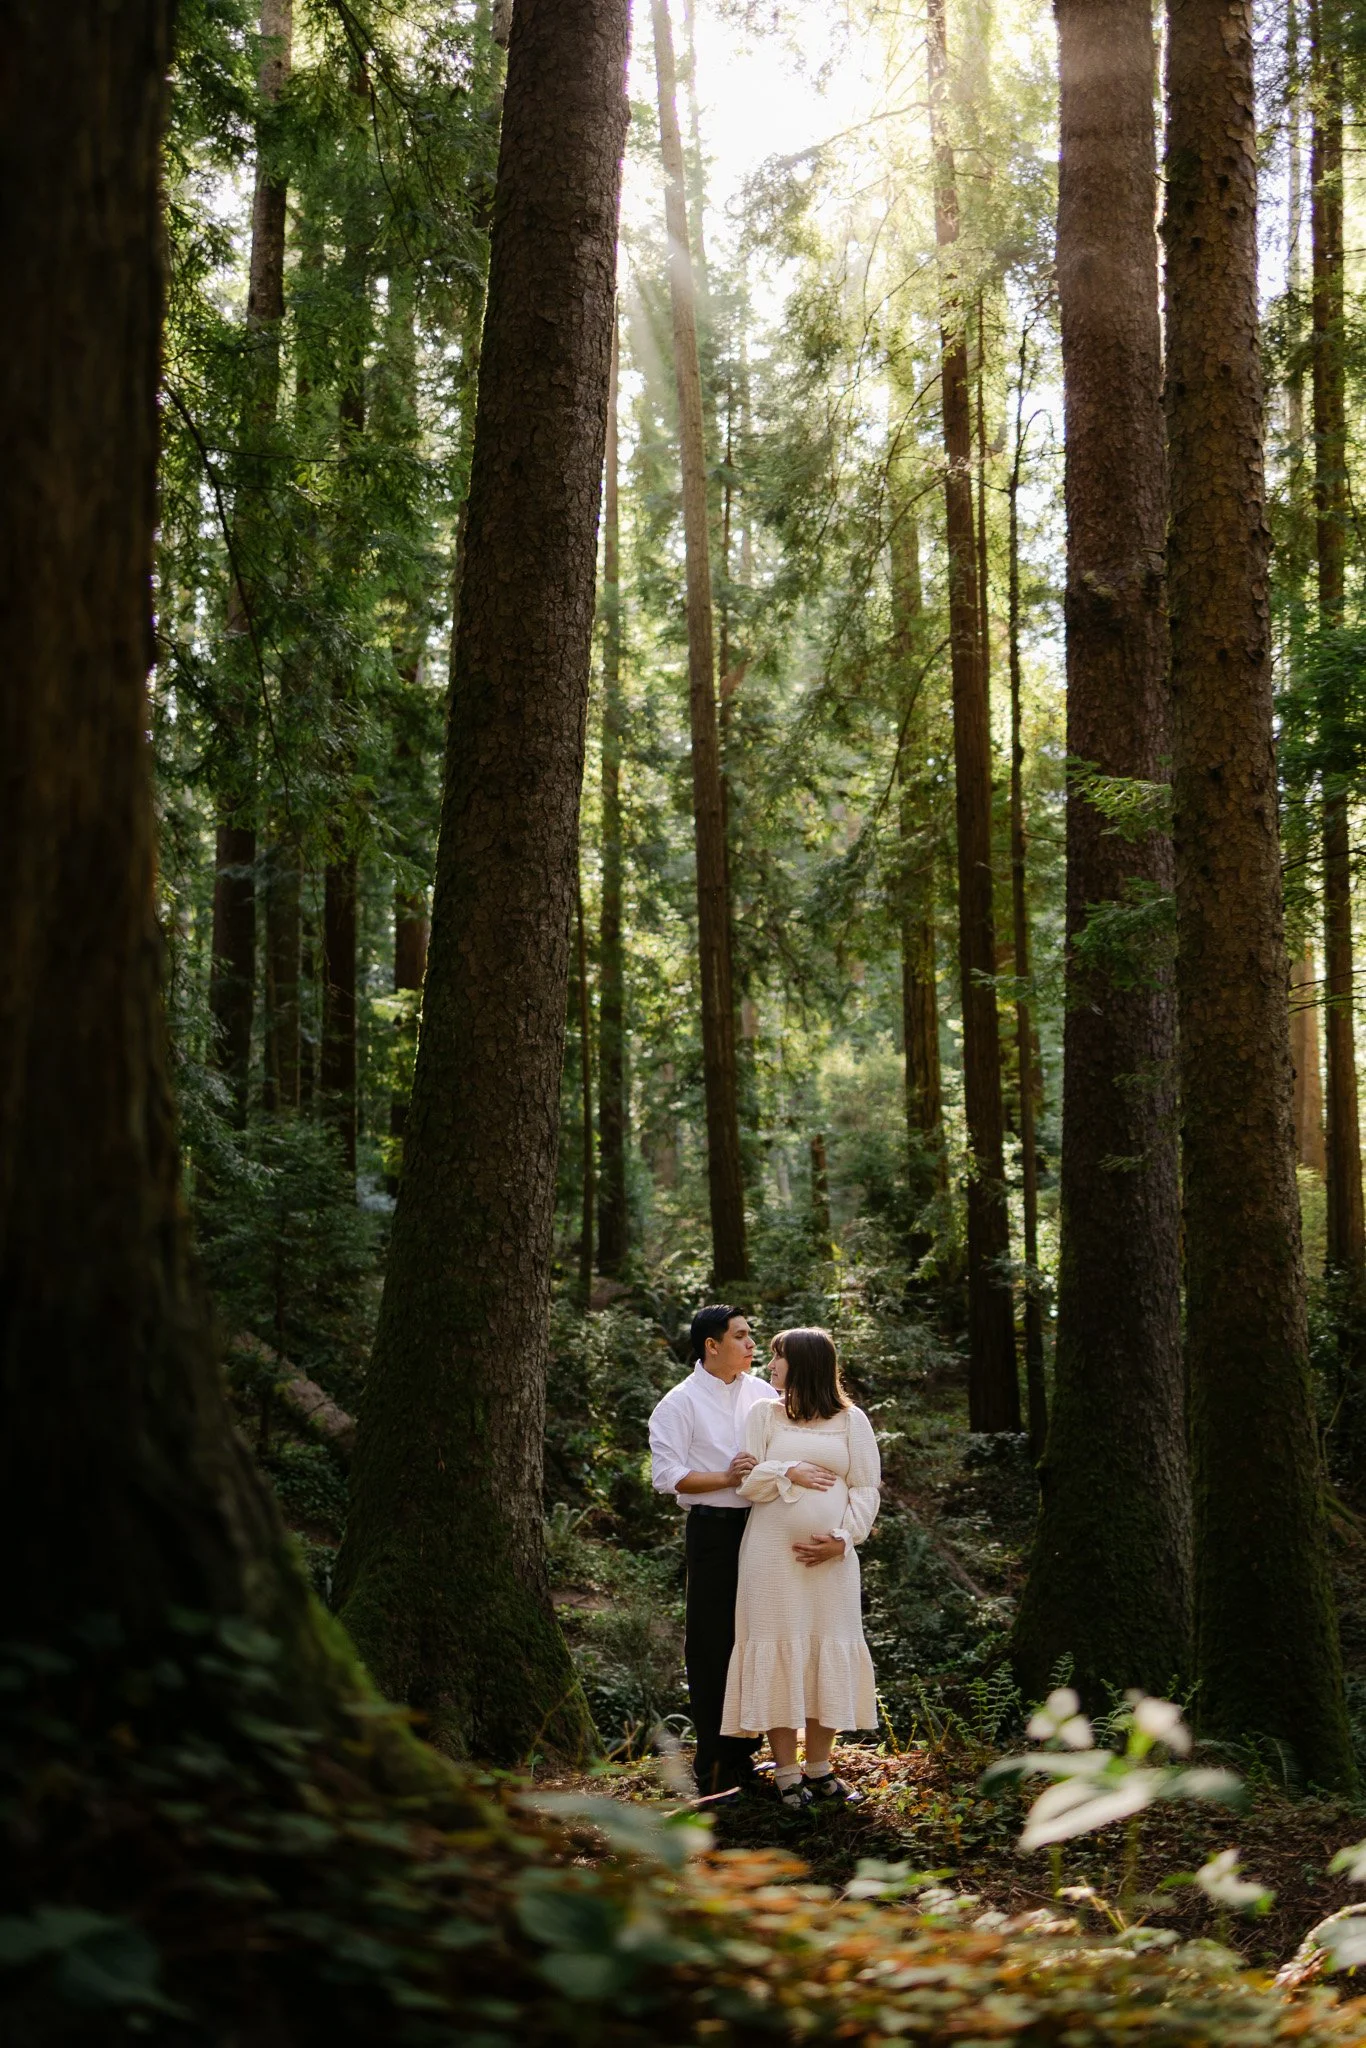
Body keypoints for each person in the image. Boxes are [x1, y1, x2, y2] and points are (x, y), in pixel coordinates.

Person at [721, 1326, 881, 1810]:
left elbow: (865, 1488)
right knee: (775, 1647)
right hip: (770, 1560)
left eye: (778, 1358)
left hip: (830, 1563)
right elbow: (747, 1482)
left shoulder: (852, 1421)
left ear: (805, 1364)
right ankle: (787, 1773)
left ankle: (820, 1768)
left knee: (823, 1650)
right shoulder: (763, 1414)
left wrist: (844, 1538)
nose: (769, 1366)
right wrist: (786, 1470)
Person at [649, 1304, 780, 1795]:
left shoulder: (765, 1394)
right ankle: (714, 1766)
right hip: (713, 1532)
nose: (751, 1345)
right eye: (742, 1336)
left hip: (766, 1528)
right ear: (712, 1345)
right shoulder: (677, 1404)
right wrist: (727, 1477)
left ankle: (747, 1756)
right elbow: (667, 1477)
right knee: (712, 1644)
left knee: (758, 1639)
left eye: (750, 1335)